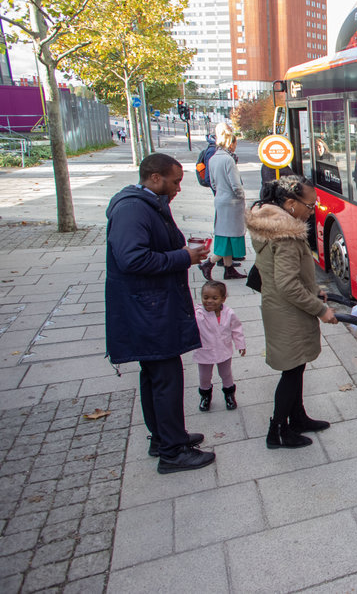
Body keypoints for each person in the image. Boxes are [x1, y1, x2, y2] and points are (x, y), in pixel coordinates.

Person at [105, 153, 215, 474]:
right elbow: (132, 259)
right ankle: (173, 452)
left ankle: (165, 437)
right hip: (147, 310)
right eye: (175, 181)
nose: (179, 187)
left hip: (150, 306)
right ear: (155, 178)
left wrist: (184, 254)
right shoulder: (132, 209)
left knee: (155, 375)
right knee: (166, 377)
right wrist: (183, 257)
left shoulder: (147, 204)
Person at [245, 175, 338, 449]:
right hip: (288, 312)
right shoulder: (285, 235)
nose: (313, 210)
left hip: (282, 308)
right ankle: (278, 432)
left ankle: (297, 418)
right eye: (310, 205)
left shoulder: (273, 225)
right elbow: (287, 284)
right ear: (289, 203)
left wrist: (314, 289)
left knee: (296, 367)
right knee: (292, 371)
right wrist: (321, 309)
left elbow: (284, 277)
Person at [200, 123, 247, 281]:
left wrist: (220, 192)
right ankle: (209, 263)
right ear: (230, 143)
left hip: (220, 199)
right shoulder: (228, 160)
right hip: (232, 203)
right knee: (232, 236)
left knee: (225, 235)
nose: (235, 147)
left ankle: (229, 269)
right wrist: (241, 196)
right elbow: (236, 185)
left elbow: (212, 182)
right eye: (235, 143)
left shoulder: (213, 159)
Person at [193, 280, 245, 412]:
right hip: (204, 351)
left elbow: (236, 329)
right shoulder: (198, 314)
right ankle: (205, 396)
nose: (209, 301)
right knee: (204, 377)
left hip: (223, 350)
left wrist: (240, 344)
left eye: (214, 298)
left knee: (226, 374)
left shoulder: (229, 313)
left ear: (223, 299)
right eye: (206, 297)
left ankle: (229, 395)